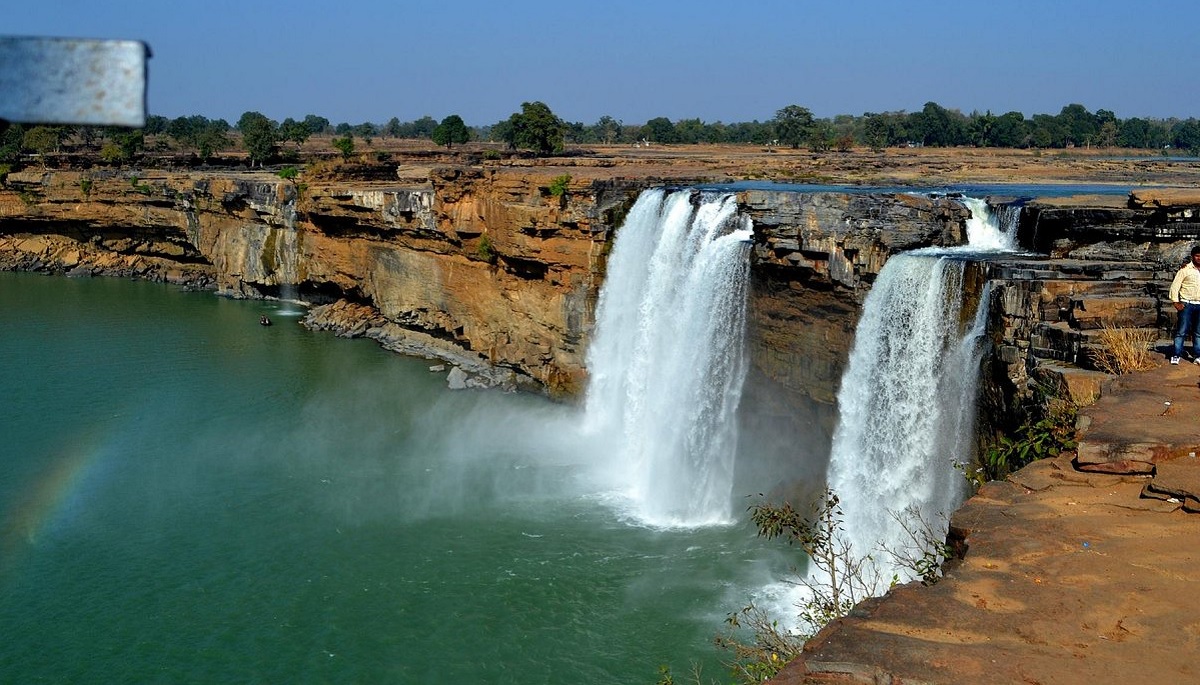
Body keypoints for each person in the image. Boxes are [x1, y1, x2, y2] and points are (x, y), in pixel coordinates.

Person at [1167, 244, 1200, 364]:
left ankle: (1197, 355)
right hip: (1187, 304)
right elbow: (1175, 286)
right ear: (1192, 256)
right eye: (1197, 256)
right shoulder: (1185, 269)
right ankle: (1176, 354)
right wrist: (1176, 302)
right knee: (1181, 331)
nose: (1199, 258)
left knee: (1198, 332)